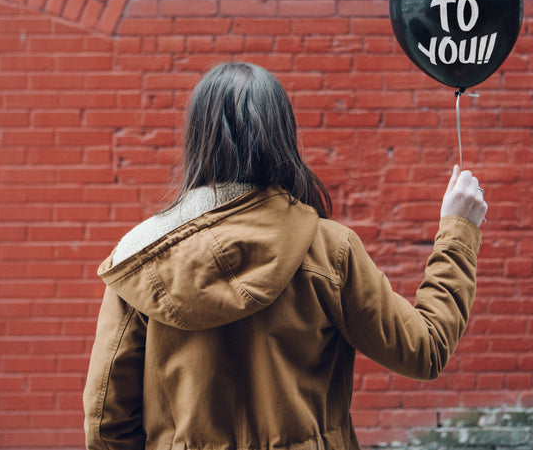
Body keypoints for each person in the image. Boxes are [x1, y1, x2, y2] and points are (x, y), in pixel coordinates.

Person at [83, 62, 488, 450]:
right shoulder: (331, 251)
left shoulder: (141, 260)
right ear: (281, 137)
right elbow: (424, 349)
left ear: (197, 140)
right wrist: (458, 230)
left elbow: (106, 422)